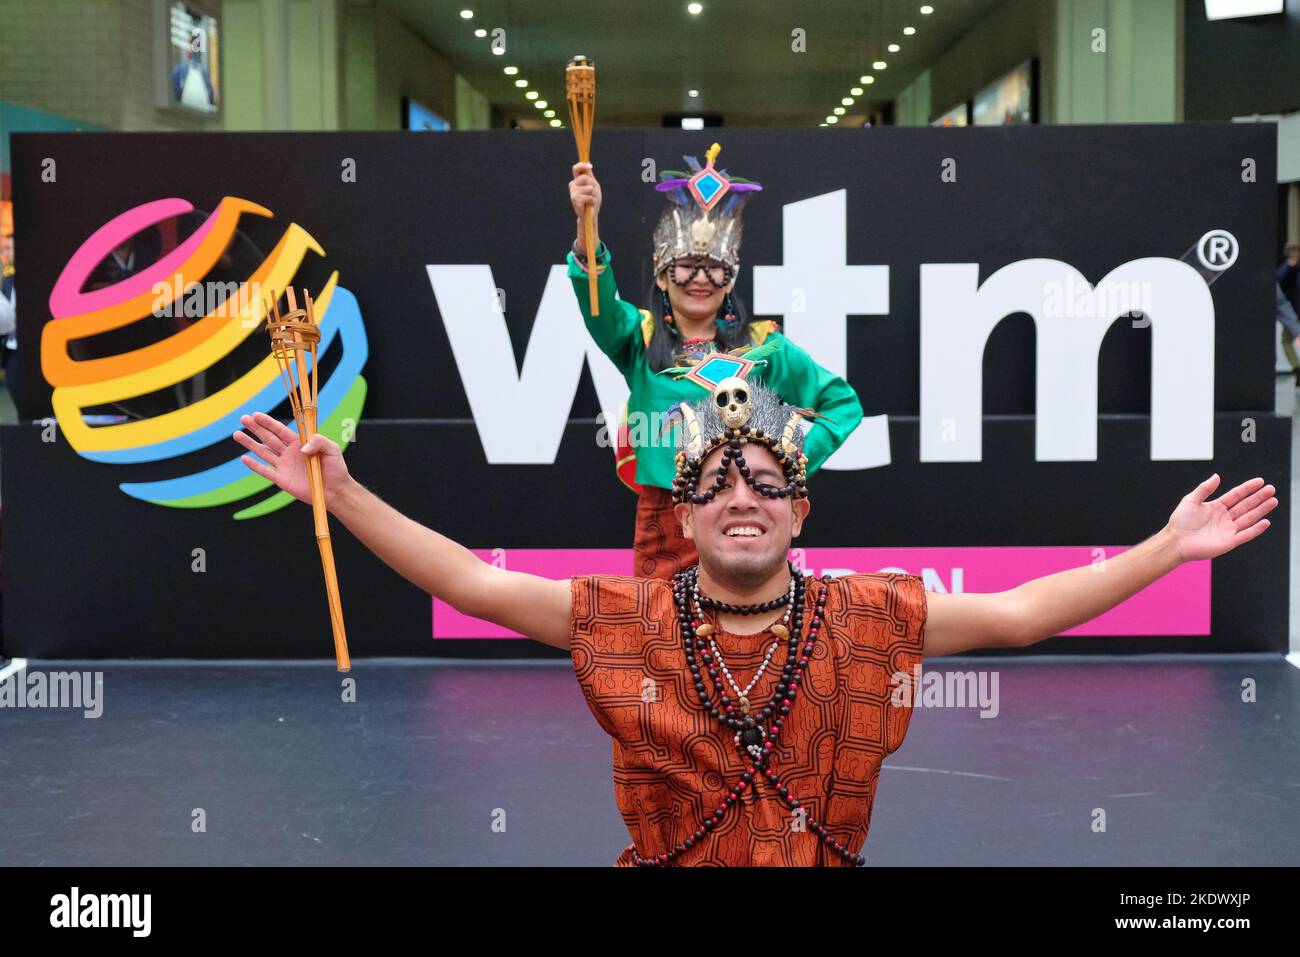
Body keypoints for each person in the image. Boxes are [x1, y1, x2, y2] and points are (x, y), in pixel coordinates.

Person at [232, 378, 1277, 867]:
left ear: (799, 510)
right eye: (719, 486)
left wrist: (1166, 550)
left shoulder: (866, 615)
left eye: (768, 484)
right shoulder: (622, 618)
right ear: (684, 515)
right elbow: (468, 584)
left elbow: (1014, 615)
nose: (743, 497)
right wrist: (345, 496)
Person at [568, 142, 864, 579]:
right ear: (663, 275)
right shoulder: (640, 337)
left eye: (714, 268)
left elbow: (843, 404)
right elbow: (597, 305)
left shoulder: (766, 347)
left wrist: (795, 456)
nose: (700, 280)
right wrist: (586, 224)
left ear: (731, 279)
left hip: (744, 515)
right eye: (686, 266)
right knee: (663, 632)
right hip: (664, 520)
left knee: (747, 629)